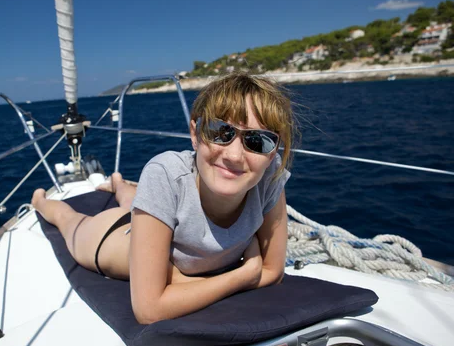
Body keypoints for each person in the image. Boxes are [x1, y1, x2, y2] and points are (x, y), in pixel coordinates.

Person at [32, 72, 296, 324]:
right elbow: (149, 310)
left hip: (158, 225)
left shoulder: (269, 178)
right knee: (69, 220)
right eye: (220, 132)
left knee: (133, 200)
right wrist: (243, 276)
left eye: (257, 141)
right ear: (195, 134)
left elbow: (273, 272)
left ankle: (119, 184)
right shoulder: (165, 174)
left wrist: (186, 283)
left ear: (273, 152)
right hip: (111, 240)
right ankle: (41, 201)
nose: (235, 155)